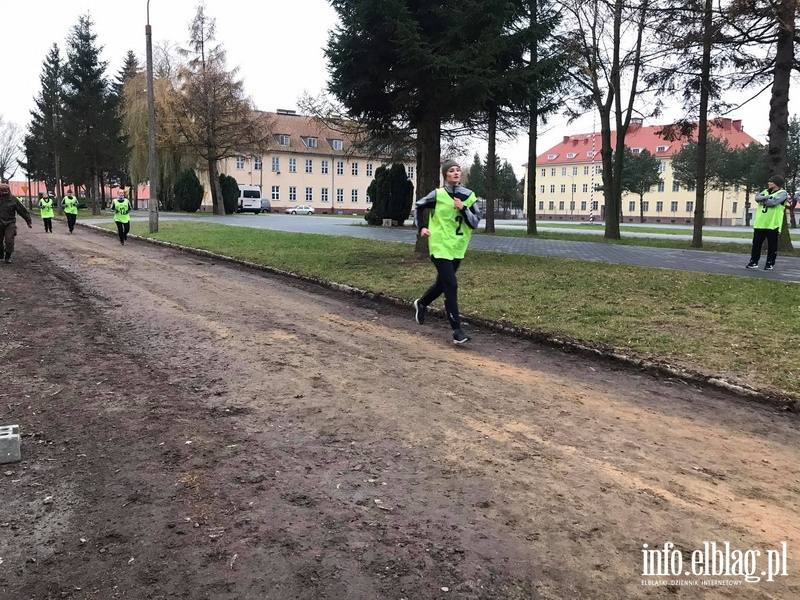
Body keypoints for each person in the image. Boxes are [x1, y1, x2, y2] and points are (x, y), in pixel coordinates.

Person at [413, 160, 481, 344]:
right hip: (439, 245)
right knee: (451, 285)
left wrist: (463, 208)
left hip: (458, 247)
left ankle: (421, 303)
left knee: (442, 285)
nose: (456, 173)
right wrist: (422, 227)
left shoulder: (469, 196)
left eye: (458, 170)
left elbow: (475, 222)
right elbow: (418, 206)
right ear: (445, 175)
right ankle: (457, 331)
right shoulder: (438, 194)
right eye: (451, 170)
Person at [746, 175, 788, 271]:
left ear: (776, 183)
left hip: (772, 224)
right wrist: (767, 197)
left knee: (772, 245)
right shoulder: (765, 192)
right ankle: (754, 261)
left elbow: (773, 203)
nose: (768, 183)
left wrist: (764, 199)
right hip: (760, 223)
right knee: (756, 243)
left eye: (771, 182)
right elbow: (757, 198)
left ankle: (770, 263)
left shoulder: (782, 193)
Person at [0, 183, 33, 264]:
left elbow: (22, 210)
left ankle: (8, 256)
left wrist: (28, 221)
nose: (5, 192)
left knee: (9, 240)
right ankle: (0, 253)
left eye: (6, 191)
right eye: (2, 191)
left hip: (10, 222)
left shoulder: (13, 199)